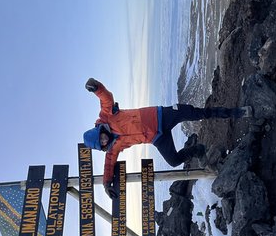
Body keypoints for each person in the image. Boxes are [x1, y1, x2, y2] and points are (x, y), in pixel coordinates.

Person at [82, 77, 257, 199]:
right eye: (102, 144)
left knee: (197, 114)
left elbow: (106, 99)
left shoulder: (108, 116)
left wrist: (96, 87)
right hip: (157, 137)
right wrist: (106, 183)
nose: (105, 141)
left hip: (160, 116)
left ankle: (237, 113)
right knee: (173, 160)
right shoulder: (113, 147)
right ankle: (198, 150)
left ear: (99, 132)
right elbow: (109, 163)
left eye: (102, 138)